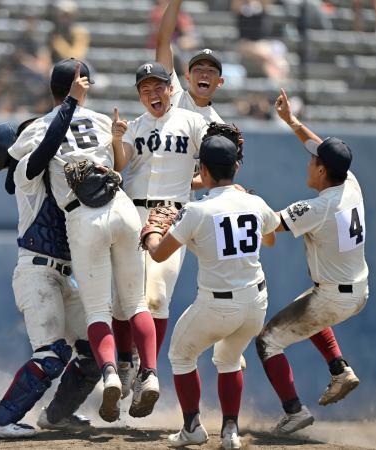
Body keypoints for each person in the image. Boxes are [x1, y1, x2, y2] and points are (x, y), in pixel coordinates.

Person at [7, 58, 159, 422]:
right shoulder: (104, 120)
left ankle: (110, 373)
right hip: (120, 206)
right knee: (136, 303)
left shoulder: (41, 126)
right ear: (85, 85)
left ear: (52, 90)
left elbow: (20, 165)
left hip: (82, 214)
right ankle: (149, 374)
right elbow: (122, 163)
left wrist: (66, 109)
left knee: (97, 312)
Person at [0, 68, 101, 438]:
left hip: (63, 274)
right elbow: (46, 147)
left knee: (96, 351)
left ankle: (57, 415)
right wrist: (70, 104)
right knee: (50, 354)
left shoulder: (49, 174)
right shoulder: (25, 174)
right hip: (37, 272)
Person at [142, 134, 279, 449]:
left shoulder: (196, 211)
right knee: (229, 358)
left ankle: (192, 427)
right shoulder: (254, 202)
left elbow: (159, 254)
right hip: (256, 303)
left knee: (180, 354)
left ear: (202, 170)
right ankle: (230, 431)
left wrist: (151, 232)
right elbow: (270, 239)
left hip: (217, 306)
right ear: (236, 167)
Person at [256, 89, 368, 434]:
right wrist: (292, 121)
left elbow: (268, 224)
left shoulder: (316, 209)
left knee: (267, 341)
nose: (309, 162)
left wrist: (242, 200)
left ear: (321, 170)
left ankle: (294, 411)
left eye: (314, 161)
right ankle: (339, 370)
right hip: (358, 289)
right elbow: (319, 148)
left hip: (335, 295)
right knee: (306, 306)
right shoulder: (350, 182)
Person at [111, 61, 208, 395]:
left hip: (169, 216)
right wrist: (116, 140)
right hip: (131, 211)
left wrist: (187, 188)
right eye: (145, 89)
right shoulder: (135, 126)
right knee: (123, 298)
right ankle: (126, 362)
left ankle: (147, 372)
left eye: (158, 86)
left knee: (156, 296)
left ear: (171, 89)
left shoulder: (193, 121)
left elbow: (218, 164)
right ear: (139, 95)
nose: (153, 93)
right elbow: (120, 165)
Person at [156, 0, 225, 124]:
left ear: (220, 82)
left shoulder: (218, 127)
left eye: (211, 71)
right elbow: (164, 42)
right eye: (198, 69)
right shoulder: (173, 96)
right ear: (188, 76)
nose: (204, 74)